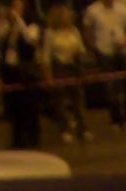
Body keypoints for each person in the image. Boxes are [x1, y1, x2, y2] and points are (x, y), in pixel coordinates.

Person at [0, 0, 41, 148]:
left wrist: (18, 21)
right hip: (10, 72)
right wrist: (5, 22)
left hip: (26, 72)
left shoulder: (31, 26)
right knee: (14, 108)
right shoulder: (5, 27)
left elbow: (30, 39)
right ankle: (17, 140)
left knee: (30, 107)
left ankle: (33, 139)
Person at [80, 0, 126, 128]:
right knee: (110, 88)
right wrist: (94, 48)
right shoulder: (92, 11)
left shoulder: (122, 9)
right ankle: (116, 120)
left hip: (122, 50)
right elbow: (87, 31)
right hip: (104, 51)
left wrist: (125, 41)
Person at [40, 3, 86, 142]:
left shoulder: (74, 31)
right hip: (59, 67)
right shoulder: (50, 33)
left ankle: (82, 128)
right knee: (59, 101)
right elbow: (46, 55)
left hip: (73, 65)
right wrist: (48, 75)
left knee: (78, 99)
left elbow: (81, 49)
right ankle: (64, 129)